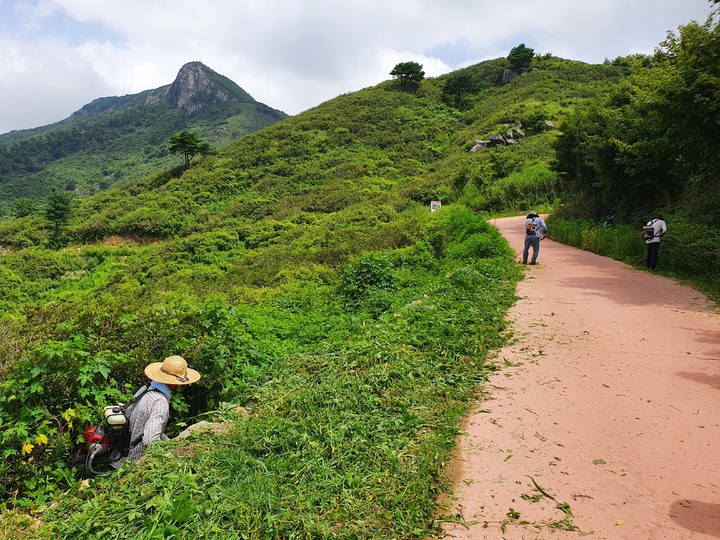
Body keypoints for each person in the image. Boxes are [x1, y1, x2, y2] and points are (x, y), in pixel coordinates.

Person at [112, 355, 201, 469]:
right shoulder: (160, 402)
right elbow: (150, 440)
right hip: (136, 463)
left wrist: (170, 443)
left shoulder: (146, 388)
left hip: (122, 455)